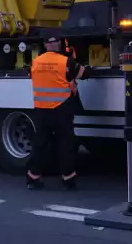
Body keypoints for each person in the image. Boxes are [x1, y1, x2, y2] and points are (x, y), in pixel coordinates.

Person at [27, 32, 92, 190]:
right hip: (61, 109)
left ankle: (33, 178)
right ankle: (68, 179)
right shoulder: (66, 62)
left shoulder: (36, 62)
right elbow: (84, 74)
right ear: (59, 44)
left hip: (41, 110)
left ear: (45, 46)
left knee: (40, 144)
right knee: (66, 144)